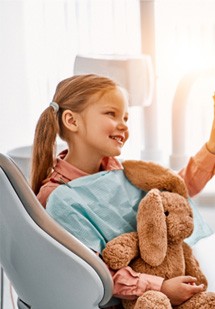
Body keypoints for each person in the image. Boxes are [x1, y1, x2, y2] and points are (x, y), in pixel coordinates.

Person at [31, 74, 212, 308]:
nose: (124, 124)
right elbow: (95, 274)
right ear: (72, 121)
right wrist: (161, 287)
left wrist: (211, 149)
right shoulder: (58, 198)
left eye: (125, 117)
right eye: (111, 114)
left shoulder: (121, 172)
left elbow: (173, 193)